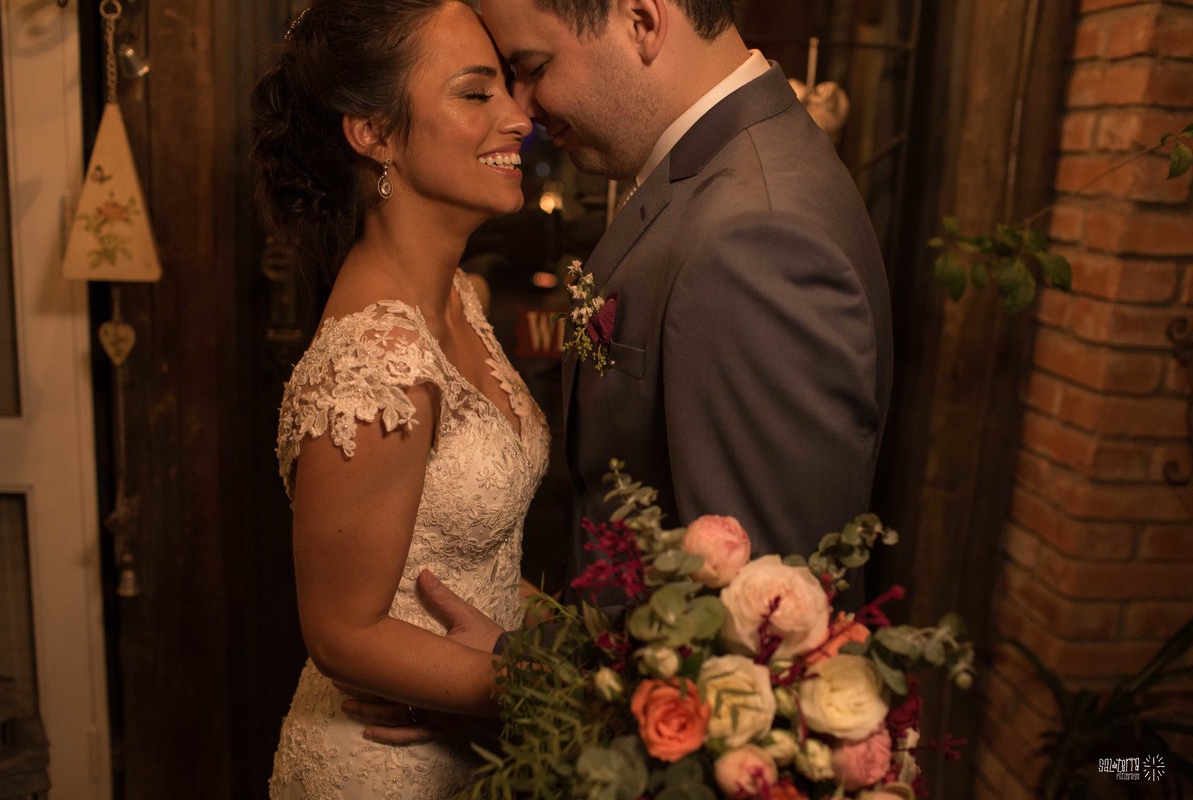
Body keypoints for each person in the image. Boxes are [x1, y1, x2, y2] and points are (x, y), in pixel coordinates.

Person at [352, 0, 893, 745]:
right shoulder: (714, 173)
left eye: (533, 69)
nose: (524, 110)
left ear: (641, 20)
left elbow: (755, 638)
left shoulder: (755, 233)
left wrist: (514, 674)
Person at [251, 0, 549, 796]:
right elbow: (342, 635)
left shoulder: (458, 298)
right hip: (386, 767)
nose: (520, 119)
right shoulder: (374, 361)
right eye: (476, 93)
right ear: (374, 134)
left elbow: (468, 560)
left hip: (479, 754)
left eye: (508, 89)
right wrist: (542, 692)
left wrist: (578, 648)